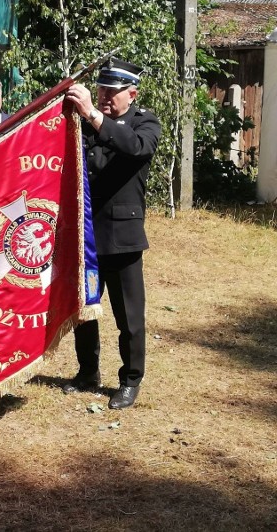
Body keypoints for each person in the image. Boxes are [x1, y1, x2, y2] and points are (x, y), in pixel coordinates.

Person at [62, 57, 161, 410]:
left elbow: (135, 147)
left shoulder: (144, 122)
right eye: (101, 90)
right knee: (85, 309)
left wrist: (92, 114)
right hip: (85, 235)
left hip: (122, 237)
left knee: (129, 317)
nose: (104, 97)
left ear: (132, 93)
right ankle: (88, 371)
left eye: (112, 92)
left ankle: (131, 380)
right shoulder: (84, 121)